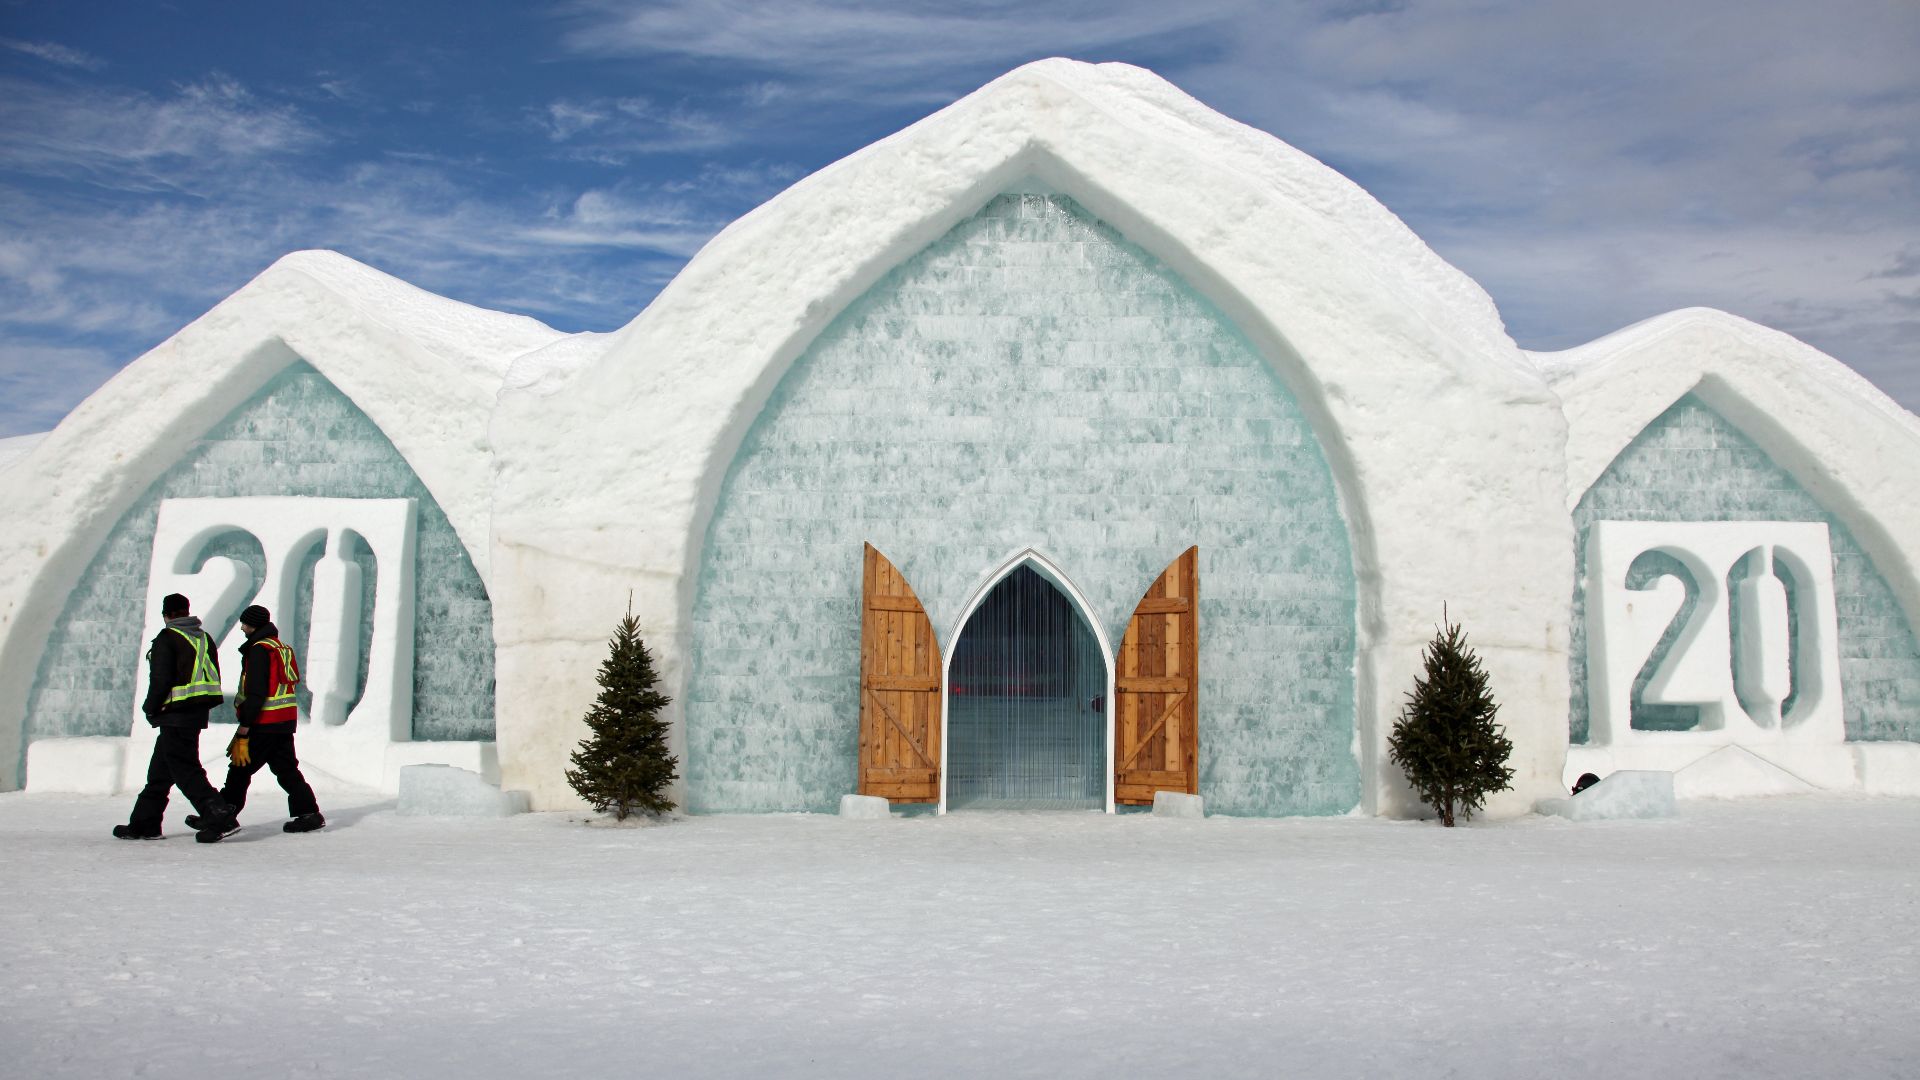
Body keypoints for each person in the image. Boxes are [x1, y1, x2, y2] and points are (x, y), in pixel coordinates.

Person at [115, 593, 241, 842]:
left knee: (185, 769)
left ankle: (219, 815)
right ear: (186, 612)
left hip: (174, 715)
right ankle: (145, 824)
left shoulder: (168, 637)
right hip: (195, 713)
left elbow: (161, 680)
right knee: (160, 774)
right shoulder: (203, 638)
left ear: (168, 615)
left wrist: (150, 707)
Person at [188, 605, 324, 834]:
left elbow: (257, 692)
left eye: (245, 623)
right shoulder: (281, 647)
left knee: (239, 770)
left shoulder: (260, 650)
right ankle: (310, 814)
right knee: (286, 770)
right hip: (284, 721)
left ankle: (222, 819)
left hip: (265, 721)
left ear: (254, 625)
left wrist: (245, 726)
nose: (242, 627)